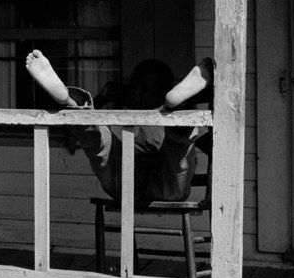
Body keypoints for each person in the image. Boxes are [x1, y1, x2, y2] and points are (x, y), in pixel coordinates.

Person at [23, 50, 213, 205]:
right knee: (101, 141)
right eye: (133, 85)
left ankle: (179, 104)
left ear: (161, 92)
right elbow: (78, 139)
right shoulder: (118, 115)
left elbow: (205, 150)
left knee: (178, 147)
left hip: (166, 181)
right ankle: (71, 102)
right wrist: (102, 99)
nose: (135, 91)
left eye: (144, 88)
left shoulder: (164, 117)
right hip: (125, 182)